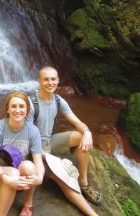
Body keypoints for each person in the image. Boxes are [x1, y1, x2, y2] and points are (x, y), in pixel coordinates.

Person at [27, 66, 101, 215]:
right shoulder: (30, 103)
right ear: (39, 81)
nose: (50, 82)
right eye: (46, 79)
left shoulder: (58, 100)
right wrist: (48, 157)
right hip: (34, 150)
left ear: (58, 80)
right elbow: (26, 139)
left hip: (50, 141)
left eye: (53, 79)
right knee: (64, 179)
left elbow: (77, 122)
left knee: (81, 137)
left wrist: (87, 132)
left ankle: (84, 183)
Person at [0, 91, 45, 216]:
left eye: (21, 106)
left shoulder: (33, 130)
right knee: (13, 173)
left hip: (20, 178)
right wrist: (4, 177)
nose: (18, 110)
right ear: (7, 109)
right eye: (13, 106)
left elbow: (38, 161)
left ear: (27, 110)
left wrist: (40, 177)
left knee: (29, 166)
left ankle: (28, 205)